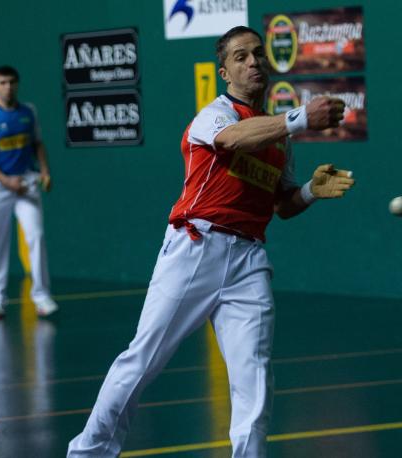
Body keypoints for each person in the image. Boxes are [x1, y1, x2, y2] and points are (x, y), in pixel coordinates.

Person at [67, 26, 354, 458]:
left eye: (259, 54)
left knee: (254, 379)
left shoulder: (279, 143)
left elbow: (283, 205)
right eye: (241, 57)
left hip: (249, 261)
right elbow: (230, 140)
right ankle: (87, 453)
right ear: (225, 72)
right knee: (142, 359)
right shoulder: (215, 115)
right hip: (194, 247)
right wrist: (298, 119)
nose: (254, 61)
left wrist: (311, 190)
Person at [0, 65, 58, 319]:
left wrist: (44, 171)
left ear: (17, 84)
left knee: (37, 236)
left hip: (27, 185)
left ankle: (42, 297)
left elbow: (37, 144)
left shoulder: (29, 112)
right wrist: (6, 181)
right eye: (2, 82)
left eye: (11, 82)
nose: (7, 87)